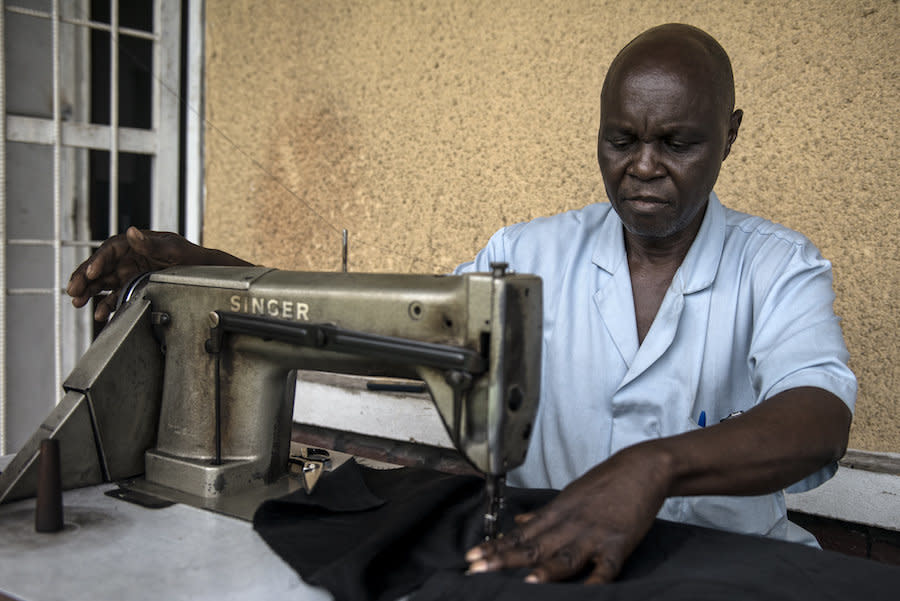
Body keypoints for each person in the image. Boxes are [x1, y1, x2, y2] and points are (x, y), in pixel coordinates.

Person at [67, 24, 855, 586]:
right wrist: (206, 268)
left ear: (732, 133)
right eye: (620, 140)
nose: (643, 167)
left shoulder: (776, 265)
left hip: (725, 569)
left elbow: (820, 417)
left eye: (677, 143)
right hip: (549, 559)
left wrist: (655, 465)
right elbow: (382, 317)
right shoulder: (531, 251)